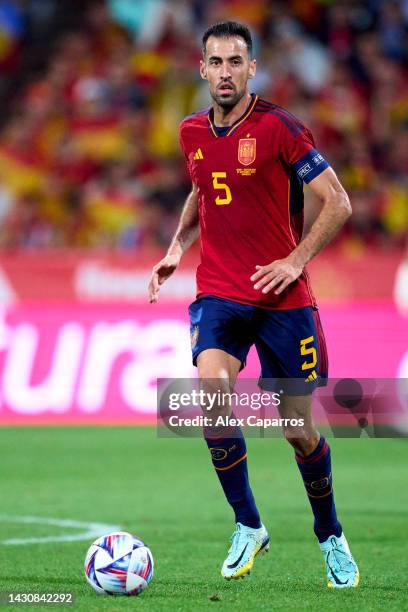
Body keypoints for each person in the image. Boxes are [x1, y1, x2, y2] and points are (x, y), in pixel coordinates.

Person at [148, 21, 359, 588]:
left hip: (284, 299)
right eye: (215, 62)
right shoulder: (191, 130)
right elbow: (201, 185)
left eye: (235, 62)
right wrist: (176, 247)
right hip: (219, 290)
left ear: (251, 69)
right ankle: (248, 524)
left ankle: (330, 533)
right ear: (201, 69)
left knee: (296, 429)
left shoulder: (281, 129)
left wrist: (295, 260)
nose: (224, 72)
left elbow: (337, 203)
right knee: (211, 392)